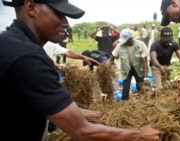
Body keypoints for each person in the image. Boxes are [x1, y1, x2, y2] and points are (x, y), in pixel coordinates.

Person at [0, 0, 162, 141]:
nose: (66, 23)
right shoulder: (28, 57)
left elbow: (41, 101)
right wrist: (139, 135)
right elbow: (81, 131)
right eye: (59, 14)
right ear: (31, 7)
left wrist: (83, 113)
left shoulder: (12, 43)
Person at [108, 28, 149, 100]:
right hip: (126, 69)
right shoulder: (120, 46)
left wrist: (145, 77)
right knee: (126, 88)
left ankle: (143, 102)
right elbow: (112, 58)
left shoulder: (140, 44)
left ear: (131, 39)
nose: (124, 42)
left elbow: (144, 62)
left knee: (141, 86)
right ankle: (124, 103)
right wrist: (105, 66)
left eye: (126, 40)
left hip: (138, 69)